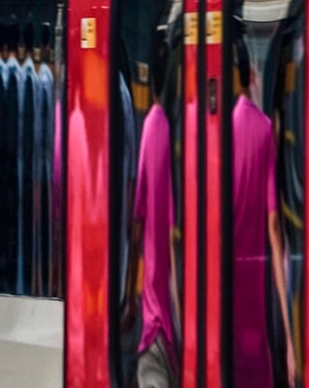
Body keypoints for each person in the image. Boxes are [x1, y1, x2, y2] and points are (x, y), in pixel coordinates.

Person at [231, 41, 293, 388]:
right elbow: (273, 225)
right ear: (251, 76)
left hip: (224, 287)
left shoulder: (218, 131)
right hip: (254, 289)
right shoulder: (265, 129)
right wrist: (287, 330)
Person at [130, 28, 180, 387]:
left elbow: (137, 218)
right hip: (179, 305)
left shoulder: (152, 127)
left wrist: (128, 294)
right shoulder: (184, 133)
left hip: (156, 311)